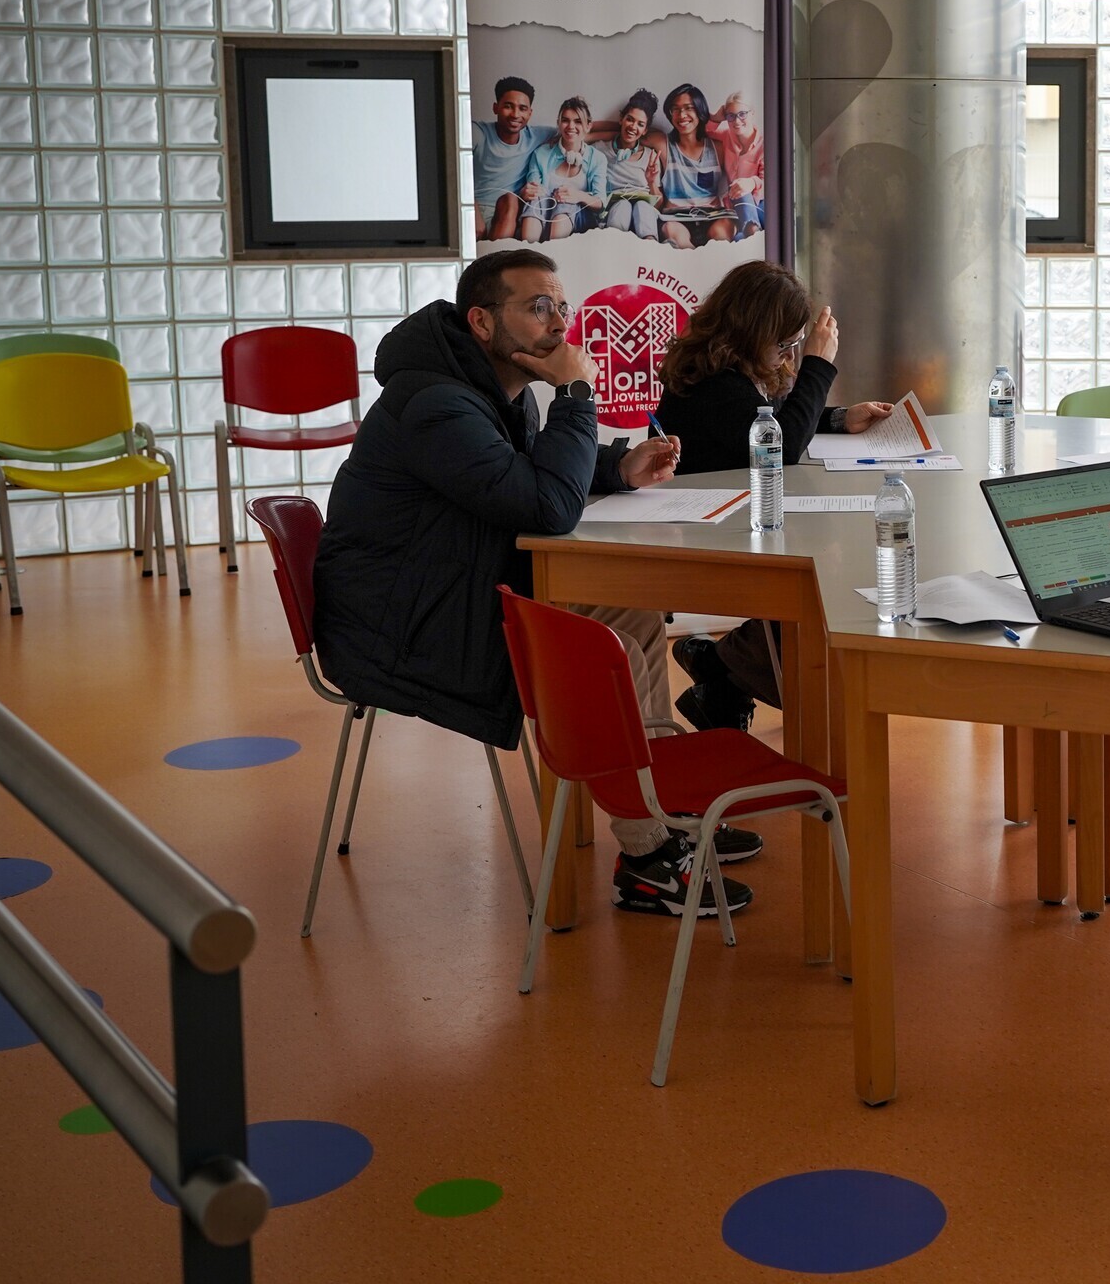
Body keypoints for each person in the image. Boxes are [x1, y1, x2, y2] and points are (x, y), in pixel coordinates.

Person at [312, 250, 761, 918]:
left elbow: (523, 472)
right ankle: (646, 853)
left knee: (631, 616)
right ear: (482, 322)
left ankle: (660, 811)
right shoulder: (437, 405)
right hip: (403, 630)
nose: (559, 323)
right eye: (538, 307)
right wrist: (575, 395)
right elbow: (546, 506)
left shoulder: (486, 389)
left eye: (562, 306)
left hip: (448, 593)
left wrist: (618, 468)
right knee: (603, 645)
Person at [656, 261, 895, 729]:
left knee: (825, 578)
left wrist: (838, 417)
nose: (788, 355)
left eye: (796, 345)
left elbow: (771, 418)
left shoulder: (728, 367)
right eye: (783, 344)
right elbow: (778, 447)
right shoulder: (715, 385)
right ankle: (727, 670)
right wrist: (819, 365)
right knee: (821, 589)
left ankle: (719, 673)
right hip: (709, 535)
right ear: (751, 332)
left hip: (739, 518)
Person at [515, 97, 608, 242]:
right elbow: (534, 191)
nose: (571, 126)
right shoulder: (541, 154)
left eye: (578, 121)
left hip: (579, 219)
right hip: (545, 215)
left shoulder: (598, 158)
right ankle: (529, 248)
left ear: (588, 126)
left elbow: (600, 204)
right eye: (565, 120)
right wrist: (528, 192)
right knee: (536, 198)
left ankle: (554, 250)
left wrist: (577, 195)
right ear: (559, 123)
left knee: (565, 198)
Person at [472, 76, 552, 242]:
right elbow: (448, 168)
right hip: (475, 209)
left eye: (522, 109)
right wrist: (471, 209)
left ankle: (498, 253)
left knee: (510, 198)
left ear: (529, 113)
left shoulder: (535, 136)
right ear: (496, 108)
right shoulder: (477, 133)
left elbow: (576, 132)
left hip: (507, 212)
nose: (515, 114)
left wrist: (612, 130)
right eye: (508, 106)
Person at [659, 83, 731, 248]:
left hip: (712, 217)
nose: (682, 115)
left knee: (723, 231)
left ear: (700, 110)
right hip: (676, 219)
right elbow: (629, 133)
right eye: (675, 109)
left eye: (689, 108)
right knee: (672, 232)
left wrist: (714, 118)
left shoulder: (718, 148)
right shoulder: (663, 144)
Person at [602, 90, 666, 241]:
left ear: (645, 131)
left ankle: (650, 245)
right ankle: (614, 244)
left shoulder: (651, 157)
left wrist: (651, 181)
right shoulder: (600, 150)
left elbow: (658, 205)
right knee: (622, 206)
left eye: (640, 124)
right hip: (615, 212)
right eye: (630, 119)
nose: (633, 127)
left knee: (642, 206)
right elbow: (581, 134)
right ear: (621, 119)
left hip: (645, 215)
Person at [711, 93, 766, 239]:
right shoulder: (726, 135)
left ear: (752, 113)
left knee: (742, 188)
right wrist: (716, 118)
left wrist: (751, 182)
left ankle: (751, 231)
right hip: (736, 206)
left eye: (742, 114)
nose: (736, 121)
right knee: (737, 238)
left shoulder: (765, 144)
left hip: (761, 203)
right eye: (731, 116)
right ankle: (751, 232)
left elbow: (770, 183)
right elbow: (703, 131)